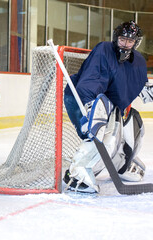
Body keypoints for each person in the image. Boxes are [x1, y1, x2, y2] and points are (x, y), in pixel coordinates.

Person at [63, 20, 153, 193]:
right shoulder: (104, 50)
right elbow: (91, 81)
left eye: (130, 41)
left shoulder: (138, 61)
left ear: (136, 43)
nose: (125, 44)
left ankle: (121, 162)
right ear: (115, 38)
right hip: (80, 97)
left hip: (104, 101)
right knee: (101, 132)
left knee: (132, 123)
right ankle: (77, 173)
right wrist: (90, 107)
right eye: (122, 40)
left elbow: (135, 85)